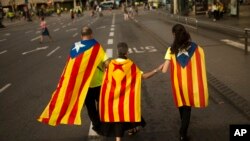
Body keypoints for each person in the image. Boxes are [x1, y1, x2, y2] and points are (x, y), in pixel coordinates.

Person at [38, 27, 107, 131]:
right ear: (91, 34)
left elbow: (71, 68)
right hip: (98, 83)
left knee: (90, 107)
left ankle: (96, 125)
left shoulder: (75, 48)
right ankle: (102, 122)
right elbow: (106, 63)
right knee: (103, 103)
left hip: (84, 86)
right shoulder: (97, 46)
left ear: (81, 36)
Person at [98, 42, 163, 141]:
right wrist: (156, 70)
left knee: (117, 120)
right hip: (125, 100)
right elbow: (144, 76)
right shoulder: (131, 65)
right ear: (127, 53)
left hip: (112, 99)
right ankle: (131, 129)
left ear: (117, 52)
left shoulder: (110, 64)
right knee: (127, 114)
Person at [161, 24, 209, 141]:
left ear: (174, 35)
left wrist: (162, 65)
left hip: (178, 84)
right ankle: (183, 133)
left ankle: (183, 128)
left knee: (182, 105)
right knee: (187, 108)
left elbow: (164, 70)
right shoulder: (196, 48)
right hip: (190, 84)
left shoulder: (171, 49)